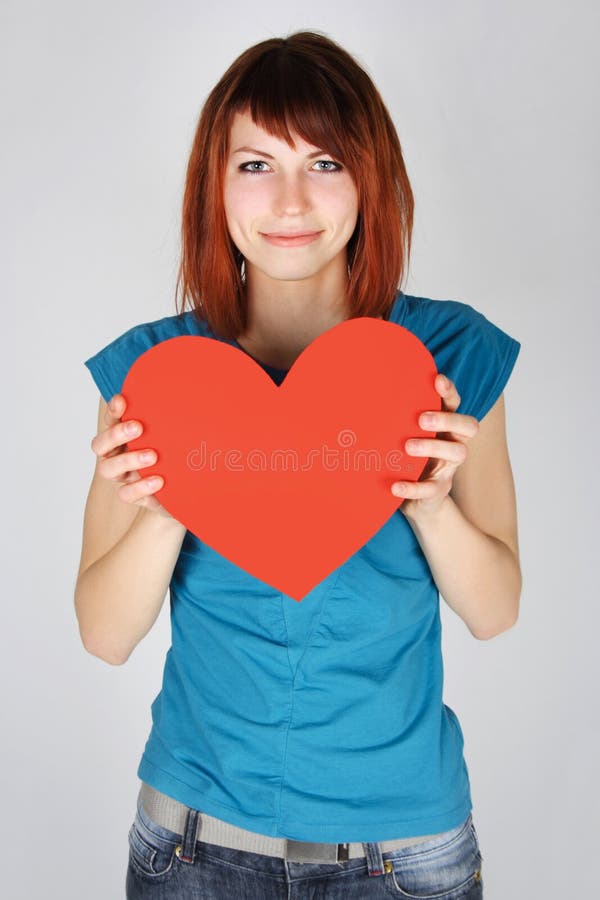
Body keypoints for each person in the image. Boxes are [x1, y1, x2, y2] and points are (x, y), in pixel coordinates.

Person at [76, 30, 521, 899]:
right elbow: (104, 633)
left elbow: (497, 609)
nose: (289, 200)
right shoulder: (157, 373)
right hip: (192, 847)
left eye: (323, 162)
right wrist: (173, 502)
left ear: (369, 178)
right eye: (254, 164)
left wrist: (430, 504)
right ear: (215, 183)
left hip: (403, 855)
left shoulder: (448, 353)